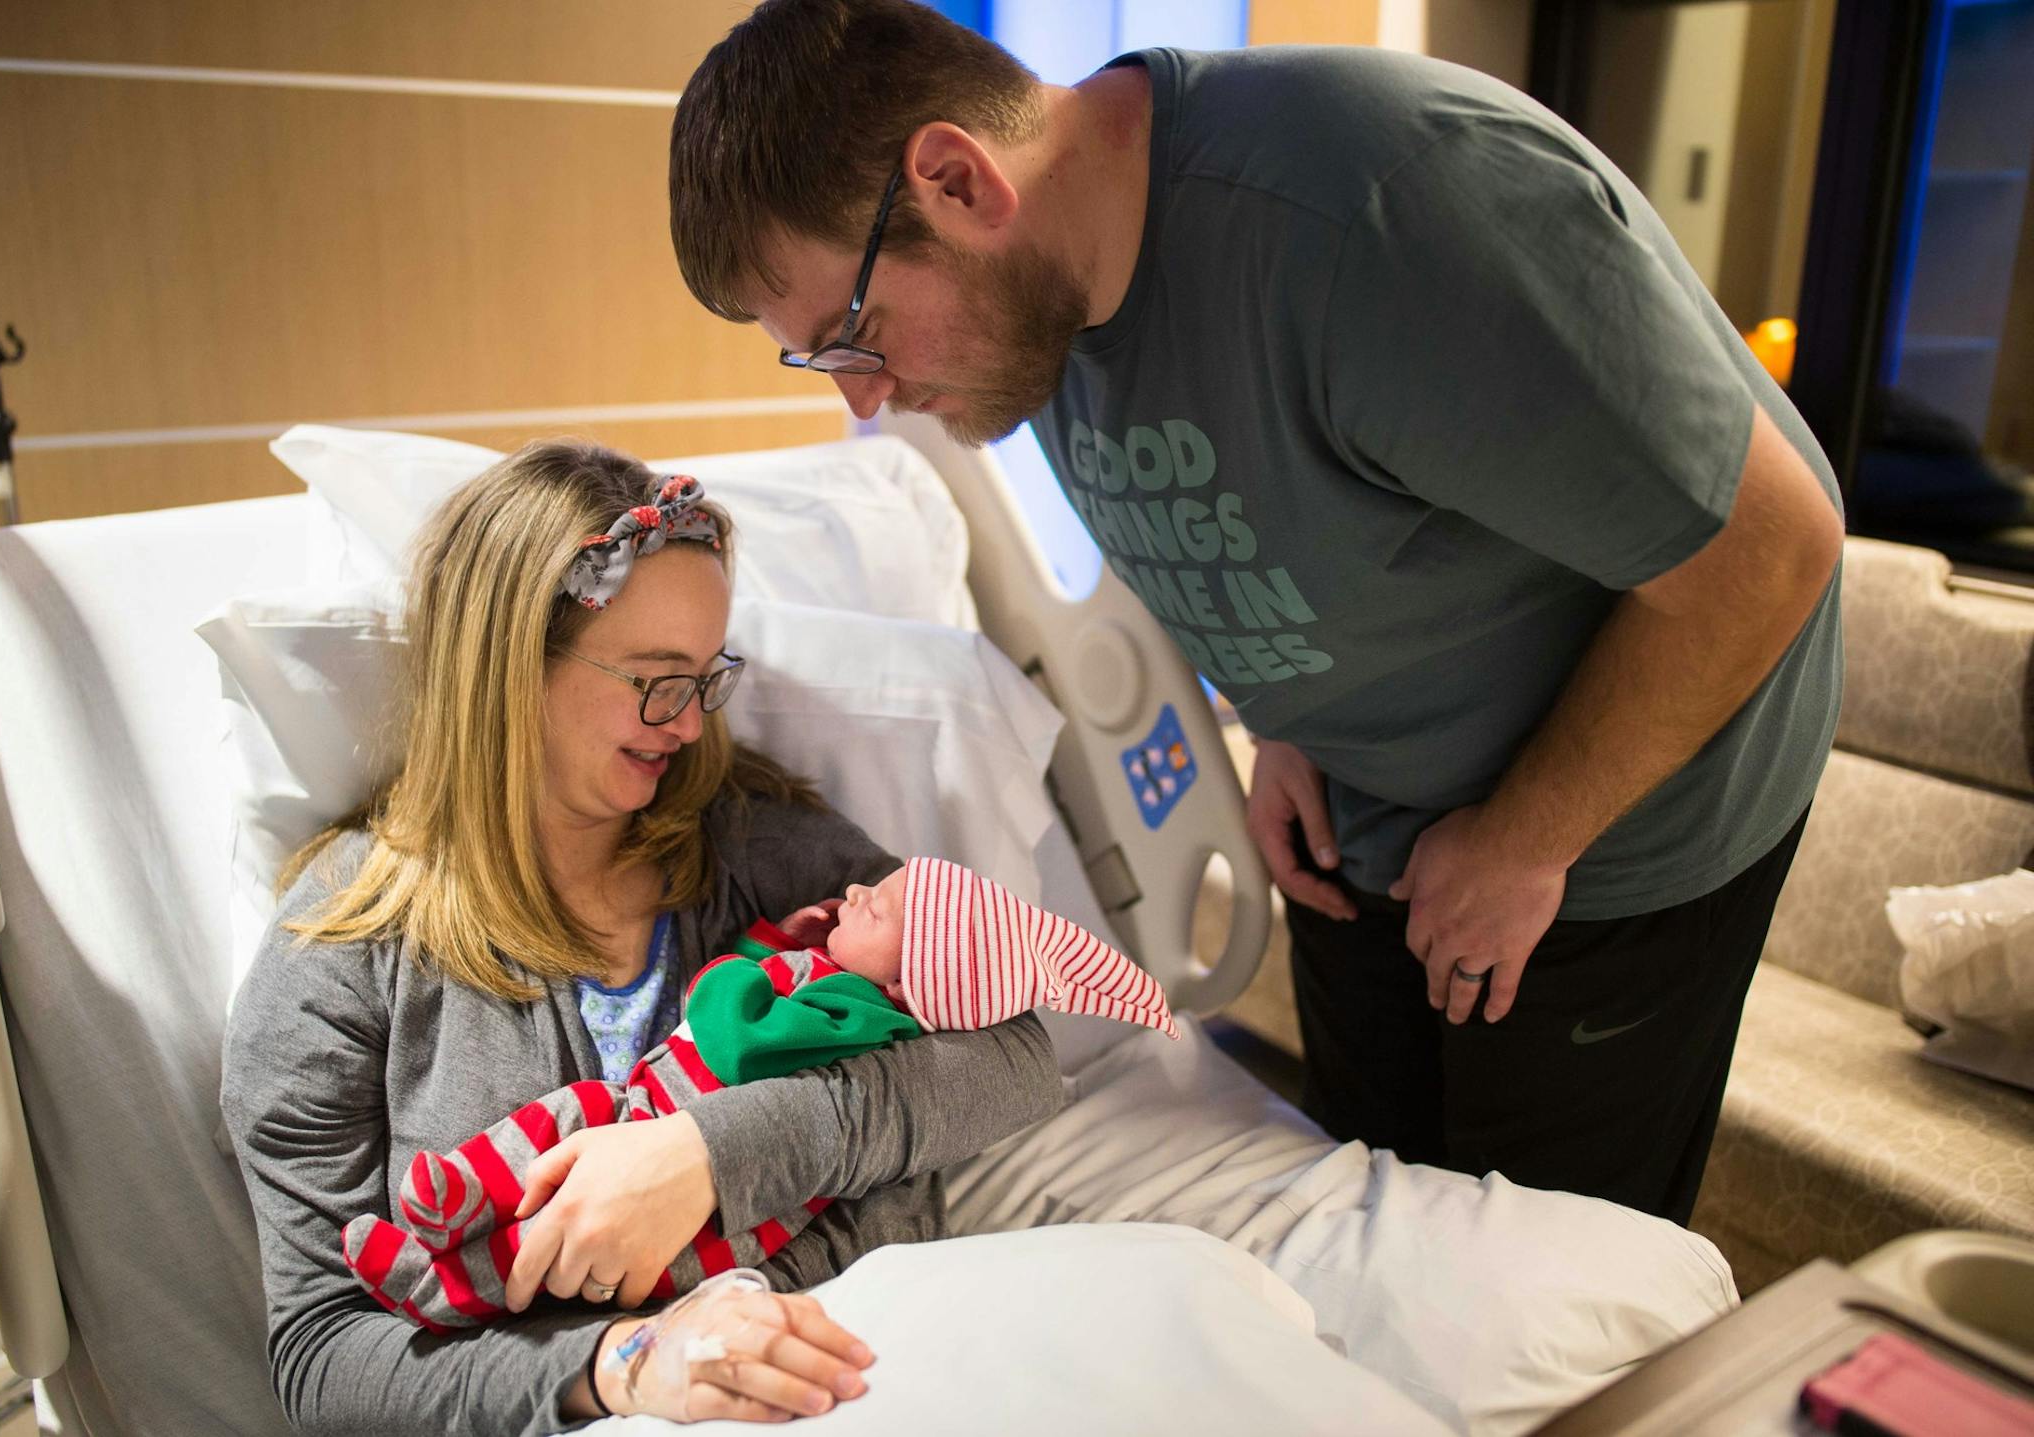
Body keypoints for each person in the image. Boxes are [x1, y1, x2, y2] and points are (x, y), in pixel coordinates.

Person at [665, 0, 1846, 1224]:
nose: (867, 401)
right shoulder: (1045, 306)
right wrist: (1290, 717)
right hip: (1365, 811)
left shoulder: (1384, 214)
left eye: (851, 337)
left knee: (1548, 1284)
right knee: (1381, 1223)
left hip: (1614, 827)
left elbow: (1767, 551)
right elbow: (1273, 486)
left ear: (958, 180)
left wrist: (1531, 836)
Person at [221, 440, 1065, 1433]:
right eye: (659, 680)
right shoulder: (342, 954)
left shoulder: (755, 846)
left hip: (864, 1362)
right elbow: (326, 1359)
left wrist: (709, 1155)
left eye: (707, 680)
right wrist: (621, 1365)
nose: (691, 726)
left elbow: (1017, 1059)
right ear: (507, 664)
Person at [346, 854, 1179, 1332]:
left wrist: (703, 1150)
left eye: (878, 905)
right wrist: (782, 949)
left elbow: (744, 1036)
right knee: (566, 1127)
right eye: (646, 676)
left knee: (564, 1240)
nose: (856, 889)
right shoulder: (842, 972)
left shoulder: (856, 997)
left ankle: (437, 1278)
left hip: (750, 1231)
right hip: (639, 1118)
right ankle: (461, 1193)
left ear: (920, 970)